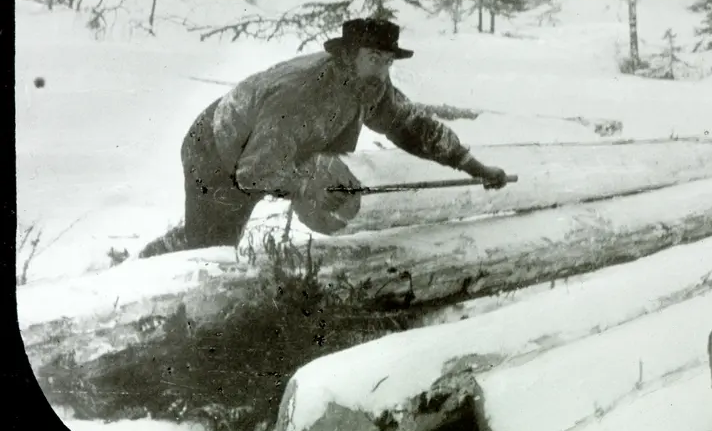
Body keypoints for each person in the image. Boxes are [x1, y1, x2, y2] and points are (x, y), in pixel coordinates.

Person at [139, 18, 509, 258]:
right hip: (216, 149)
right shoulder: (304, 93)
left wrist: (472, 165)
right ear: (349, 55)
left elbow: (414, 127)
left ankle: (186, 236)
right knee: (211, 252)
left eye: (387, 62)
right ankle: (146, 269)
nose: (381, 71)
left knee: (217, 230)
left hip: (262, 149)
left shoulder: (369, 86)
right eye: (373, 58)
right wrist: (307, 184)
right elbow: (254, 173)